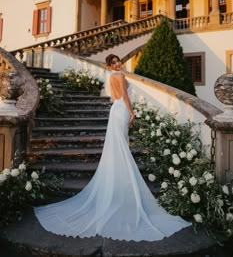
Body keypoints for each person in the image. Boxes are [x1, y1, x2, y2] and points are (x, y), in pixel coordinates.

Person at [34, 54, 191, 241]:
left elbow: (115, 96)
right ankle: (122, 183)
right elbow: (124, 96)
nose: (119, 64)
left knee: (117, 147)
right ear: (109, 65)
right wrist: (132, 113)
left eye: (119, 61)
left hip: (115, 110)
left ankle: (117, 182)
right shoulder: (121, 76)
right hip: (122, 110)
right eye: (115, 62)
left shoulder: (111, 77)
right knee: (121, 147)